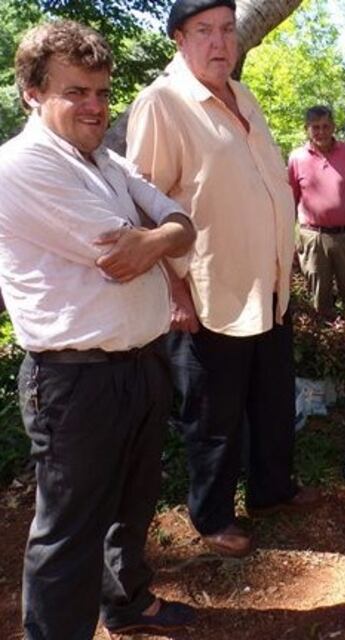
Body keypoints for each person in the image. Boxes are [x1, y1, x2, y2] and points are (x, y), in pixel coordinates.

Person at [0, 21, 197, 637]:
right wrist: (156, 236)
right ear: (31, 90)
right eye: (75, 92)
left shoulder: (105, 159)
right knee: (69, 532)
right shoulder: (22, 166)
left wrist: (160, 235)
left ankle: (127, 603)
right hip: (73, 381)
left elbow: (179, 223)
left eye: (101, 93)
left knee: (133, 507)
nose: (94, 106)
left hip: (141, 363)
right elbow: (120, 252)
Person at [127, 0, 317, 559]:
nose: (220, 43)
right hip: (209, 294)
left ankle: (272, 490)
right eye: (204, 31)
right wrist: (175, 292)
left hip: (267, 287)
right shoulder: (162, 102)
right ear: (179, 40)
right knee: (213, 415)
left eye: (228, 30)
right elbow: (144, 208)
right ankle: (211, 516)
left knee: (273, 400)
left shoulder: (244, 95)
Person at [288, 104, 345, 321]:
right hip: (313, 237)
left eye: (326, 126)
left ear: (333, 126)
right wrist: (288, 239)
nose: (321, 132)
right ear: (307, 128)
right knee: (319, 297)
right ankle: (326, 346)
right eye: (315, 127)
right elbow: (291, 201)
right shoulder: (297, 158)